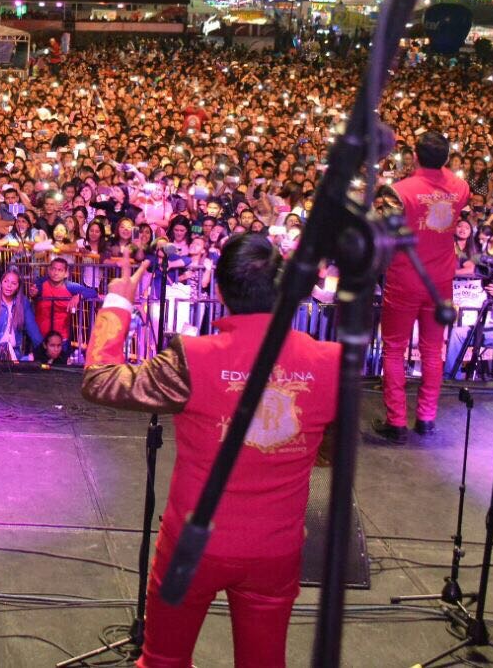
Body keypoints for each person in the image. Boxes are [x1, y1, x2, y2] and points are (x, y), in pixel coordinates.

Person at [81, 235, 339, 668]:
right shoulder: (331, 361)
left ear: (219, 292)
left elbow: (100, 381)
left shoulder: (191, 358)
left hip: (192, 546)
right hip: (276, 549)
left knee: (163, 660)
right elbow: (329, 449)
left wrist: (119, 302)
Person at [373, 132, 469, 442]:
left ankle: (397, 421)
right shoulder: (461, 187)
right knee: (432, 350)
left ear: (414, 156)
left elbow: (381, 229)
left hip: (404, 277)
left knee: (394, 349)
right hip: (440, 281)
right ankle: (426, 418)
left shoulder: (398, 192)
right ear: (447, 157)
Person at [0, 268, 41, 361]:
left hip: (15, 352)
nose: (9, 286)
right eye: (6, 281)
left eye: (13, 283)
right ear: (1, 283)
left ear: (18, 286)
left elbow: (33, 330)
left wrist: (43, 351)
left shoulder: (23, 302)